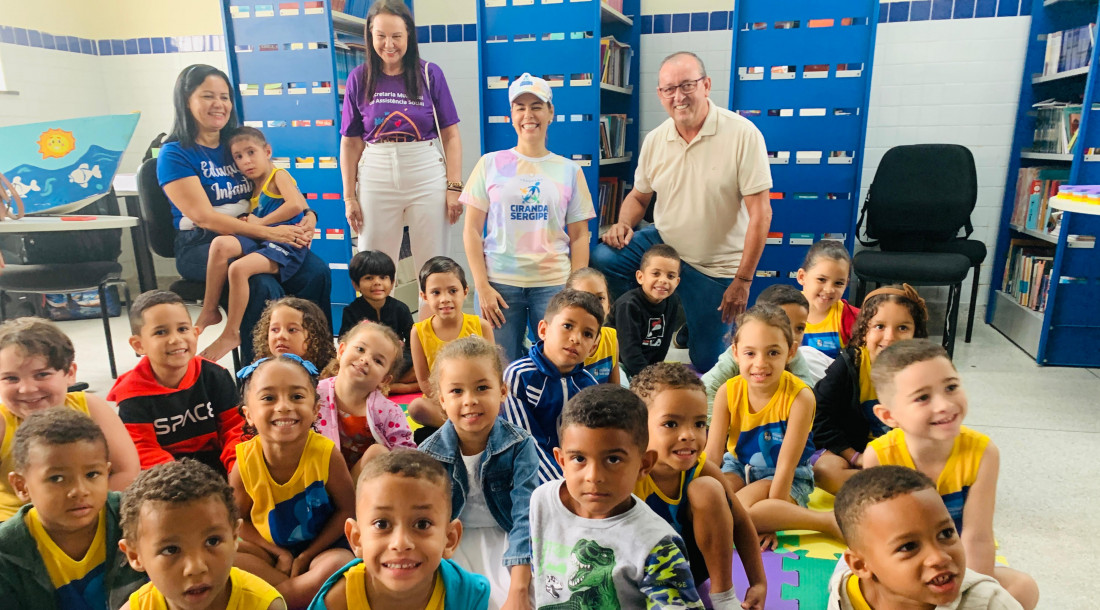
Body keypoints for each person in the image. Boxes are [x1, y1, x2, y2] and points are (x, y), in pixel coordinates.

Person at [594, 51, 772, 372]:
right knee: (605, 258)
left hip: (715, 268)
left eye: (687, 85)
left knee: (709, 361)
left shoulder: (743, 135)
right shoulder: (656, 140)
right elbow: (638, 196)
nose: (678, 96)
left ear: (706, 85)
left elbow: (761, 214)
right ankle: (652, 318)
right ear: (660, 94)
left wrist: (743, 280)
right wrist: (623, 222)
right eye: (668, 89)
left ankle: (687, 319)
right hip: (664, 245)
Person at [158, 64, 330, 364]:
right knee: (262, 285)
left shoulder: (236, 145)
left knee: (316, 271)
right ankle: (261, 375)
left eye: (225, 97)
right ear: (187, 100)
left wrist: (308, 216)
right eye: (208, 96)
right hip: (204, 245)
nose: (219, 105)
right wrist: (269, 232)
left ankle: (317, 361)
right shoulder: (175, 153)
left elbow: (275, 186)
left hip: (254, 236)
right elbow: (204, 217)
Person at [865, 340, 1039, 609]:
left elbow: (977, 537)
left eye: (951, 387)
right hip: (907, 561)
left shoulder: (982, 452)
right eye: (923, 397)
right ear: (888, 415)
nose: (944, 404)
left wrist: (968, 597)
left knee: (1024, 589)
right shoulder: (879, 456)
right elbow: (883, 540)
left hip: (956, 561)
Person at [461, 73, 595, 363]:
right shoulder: (489, 164)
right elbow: (471, 230)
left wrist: (574, 289)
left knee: (560, 364)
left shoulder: (569, 171)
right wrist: (481, 286)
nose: (528, 114)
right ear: (511, 115)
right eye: (520, 107)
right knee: (499, 368)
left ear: (550, 113)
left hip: (553, 283)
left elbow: (580, 235)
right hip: (498, 284)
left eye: (536, 105)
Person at [530, 384, 704, 609]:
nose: (594, 476)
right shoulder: (542, 501)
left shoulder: (657, 545)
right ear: (561, 460)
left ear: (644, 464)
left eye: (613, 459)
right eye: (579, 459)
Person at [340, 0, 463, 281]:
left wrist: (454, 187)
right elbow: (350, 142)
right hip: (376, 171)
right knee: (374, 269)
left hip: (424, 169)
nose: (389, 44)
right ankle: (377, 327)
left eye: (396, 36)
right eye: (381, 36)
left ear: (409, 35)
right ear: (370, 36)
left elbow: (451, 134)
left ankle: (429, 326)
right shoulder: (358, 78)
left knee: (433, 268)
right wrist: (350, 197)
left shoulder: (430, 73)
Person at [630, 363, 766, 610]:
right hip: (639, 573)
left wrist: (758, 583)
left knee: (708, 489)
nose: (689, 435)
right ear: (638, 426)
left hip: (691, 566)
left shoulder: (701, 467)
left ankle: (723, 597)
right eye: (671, 424)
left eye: (699, 423)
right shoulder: (628, 476)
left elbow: (742, 521)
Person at [704, 304, 842, 544]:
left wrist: (773, 521)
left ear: (790, 352)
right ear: (735, 352)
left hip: (786, 478)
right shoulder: (728, 392)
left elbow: (786, 467)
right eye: (750, 353)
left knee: (739, 512)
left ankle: (828, 521)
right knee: (709, 505)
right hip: (738, 467)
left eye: (773, 353)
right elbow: (712, 454)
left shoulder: (801, 397)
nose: (760, 363)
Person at [417, 337, 538, 609]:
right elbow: (424, 520)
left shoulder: (519, 445)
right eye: (457, 391)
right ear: (442, 401)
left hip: (508, 540)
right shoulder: (427, 454)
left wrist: (519, 589)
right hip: (450, 544)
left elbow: (524, 519)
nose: (470, 401)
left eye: (482, 387)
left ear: (502, 391)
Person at [230, 355, 356, 607]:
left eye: (297, 397)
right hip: (270, 554)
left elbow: (348, 510)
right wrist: (279, 554)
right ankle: (298, 595)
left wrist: (306, 556)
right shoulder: (243, 463)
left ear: (315, 410)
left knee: (340, 564)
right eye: (268, 398)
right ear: (249, 415)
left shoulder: (326, 454)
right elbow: (237, 521)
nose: (284, 406)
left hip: (321, 549)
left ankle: (272, 599)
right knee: (223, 558)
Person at [0, 408, 146, 609]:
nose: (79, 491)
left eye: (92, 474)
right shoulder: (6, 554)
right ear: (21, 486)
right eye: (56, 478)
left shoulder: (138, 518)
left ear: (107, 471)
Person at [309, 450, 491, 610]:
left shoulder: (467, 596)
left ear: (450, 539)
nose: (401, 542)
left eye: (422, 524)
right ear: (357, 539)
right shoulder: (338, 600)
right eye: (382, 524)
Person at [0, 317, 139, 519]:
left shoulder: (91, 408)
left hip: (92, 514)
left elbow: (127, 472)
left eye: (42, 375)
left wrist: (89, 512)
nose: (27, 388)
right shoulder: (3, 424)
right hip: (18, 525)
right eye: (11, 378)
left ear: (70, 373)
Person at [830, 466, 1023, 610]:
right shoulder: (845, 596)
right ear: (860, 566)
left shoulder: (989, 603)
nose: (939, 557)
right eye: (908, 546)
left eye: (946, 533)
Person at [197, 127, 310, 362]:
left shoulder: (279, 175)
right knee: (219, 245)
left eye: (251, 152)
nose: (246, 161)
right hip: (266, 239)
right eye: (238, 156)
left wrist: (261, 222)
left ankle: (231, 332)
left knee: (238, 269)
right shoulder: (253, 185)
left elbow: (296, 206)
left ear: (267, 151)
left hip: (288, 244)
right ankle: (209, 311)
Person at [118, 460, 286, 610]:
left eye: (212, 541)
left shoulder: (263, 606)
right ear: (135, 555)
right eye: (171, 550)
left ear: (235, 536)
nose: (196, 567)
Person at [109, 290, 244, 476]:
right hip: (164, 473)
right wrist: (180, 478)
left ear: (195, 333)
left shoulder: (215, 375)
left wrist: (236, 467)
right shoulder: (133, 392)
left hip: (219, 461)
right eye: (161, 332)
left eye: (182, 329)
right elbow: (143, 448)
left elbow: (235, 427)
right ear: (139, 345)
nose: (175, 339)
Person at [812, 284, 929, 494]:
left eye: (902, 328)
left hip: (898, 454)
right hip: (850, 453)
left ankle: (881, 490)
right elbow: (819, 417)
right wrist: (855, 457)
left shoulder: (924, 371)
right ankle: (892, 492)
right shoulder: (850, 364)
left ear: (916, 334)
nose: (890, 337)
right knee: (823, 469)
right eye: (879, 326)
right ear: (864, 330)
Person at [501, 289, 601, 484]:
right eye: (567, 326)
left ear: (593, 348)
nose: (575, 338)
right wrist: (562, 485)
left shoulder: (589, 386)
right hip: (525, 477)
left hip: (576, 477)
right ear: (543, 330)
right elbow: (524, 443)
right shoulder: (519, 375)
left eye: (587, 334)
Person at [702, 284, 820, 420]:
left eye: (799, 328)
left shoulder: (795, 356)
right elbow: (708, 387)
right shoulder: (736, 354)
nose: (792, 334)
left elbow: (807, 393)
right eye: (783, 324)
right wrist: (715, 425)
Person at [316, 322, 416, 481]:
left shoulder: (388, 411)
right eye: (360, 349)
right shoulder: (315, 394)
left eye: (378, 361)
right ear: (341, 351)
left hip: (358, 485)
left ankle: (348, 504)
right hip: (319, 477)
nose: (365, 359)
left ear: (384, 379)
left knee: (378, 453)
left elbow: (406, 455)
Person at [407, 257, 493, 438]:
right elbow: (424, 381)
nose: (445, 299)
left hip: (476, 397)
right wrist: (449, 402)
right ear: (424, 296)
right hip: (442, 403)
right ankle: (467, 427)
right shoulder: (418, 332)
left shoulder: (481, 326)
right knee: (416, 408)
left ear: (465, 291)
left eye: (453, 291)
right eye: (436, 293)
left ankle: (462, 426)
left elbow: (492, 372)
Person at [338, 250, 417, 393]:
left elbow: (413, 344)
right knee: (339, 370)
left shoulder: (401, 308)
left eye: (383, 277)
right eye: (369, 278)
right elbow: (345, 343)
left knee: (421, 366)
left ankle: (381, 385)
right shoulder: (351, 311)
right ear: (356, 285)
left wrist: (398, 362)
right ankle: (400, 387)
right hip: (366, 363)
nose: (377, 283)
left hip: (396, 364)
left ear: (392, 282)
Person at [611, 244, 682, 382]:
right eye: (656, 273)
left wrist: (656, 372)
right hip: (618, 364)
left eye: (670, 276)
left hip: (645, 367)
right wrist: (650, 380)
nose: (663, 280)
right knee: (623, 391)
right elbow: (629, 353)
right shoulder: (628, 305)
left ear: (677, 282)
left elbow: (664, 343)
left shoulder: (671, 302)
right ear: (640, 277)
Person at [797, 240, 859, 360]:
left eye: (838, 283)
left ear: (846, 283)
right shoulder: (783, 311)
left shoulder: (852, 318)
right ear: (802, 277)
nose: (829, 289)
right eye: (821, 279)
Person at [250, 297, 338, 374]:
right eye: (275, 330)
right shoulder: (259, 374)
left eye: (292, 330)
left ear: (314, 336)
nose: (281, 336)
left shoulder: (327, 379)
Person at [566, 267, 620, 385]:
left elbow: (615, 390)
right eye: (584, 298)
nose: (593, 305)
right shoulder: (566, 342)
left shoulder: (611, 338)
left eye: (600, 298)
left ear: (609, 305)